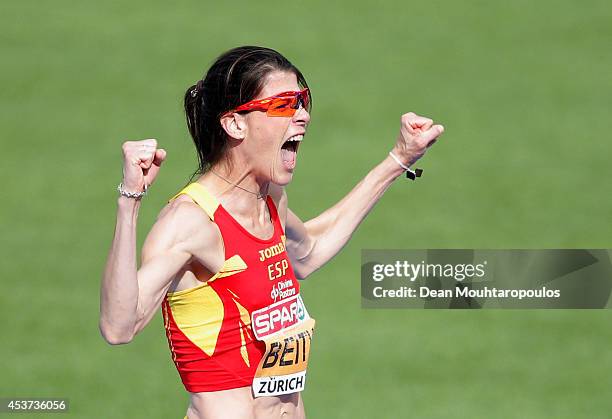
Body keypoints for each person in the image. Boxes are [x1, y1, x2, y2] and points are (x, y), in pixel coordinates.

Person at [99, 46, 444, 419]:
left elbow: (309, 252)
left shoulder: (268, 199)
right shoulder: (191, 221)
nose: (303, 115)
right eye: (284, 105)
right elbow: (120, 326)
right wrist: (130, 202)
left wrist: (398, 159)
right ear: (235, 124)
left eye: (302, 100)